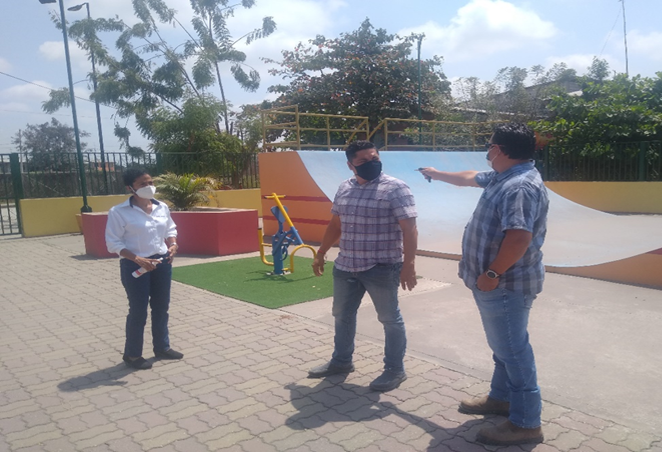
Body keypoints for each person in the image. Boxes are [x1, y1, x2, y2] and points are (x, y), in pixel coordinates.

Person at [419, 123, 548, 446]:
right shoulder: (505, 175)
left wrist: (491, 274)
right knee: (504, 346)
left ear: (499, 150)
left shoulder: (519, 186)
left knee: (513, 351)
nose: (487, 150)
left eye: (489, 145)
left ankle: (526, 423)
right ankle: (501, 399)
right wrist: (436, 173)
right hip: (498, 283)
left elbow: (518, 238)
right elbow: (469, 177)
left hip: (504, 284)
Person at [308, 140, 418, 392]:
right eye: (363, 161)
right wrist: (321, 252)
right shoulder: (344, 188)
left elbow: (410, 229)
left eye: (374, 159)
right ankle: (341, 362)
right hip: (346, 265)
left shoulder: (396, 188)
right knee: (342, 315)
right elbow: (336, 225)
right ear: (350, 165)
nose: (371, 164)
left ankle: (395, 370)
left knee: (389, 319)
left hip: (382, 267)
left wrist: (409, 264)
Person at [105, 168, 183, 370]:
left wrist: (173, 244)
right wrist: (138, 259)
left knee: (161, 307)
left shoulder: (161, 207)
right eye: (142, 184)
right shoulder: (118, 212)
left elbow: (170, 229)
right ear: (130, 188)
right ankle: (132, 355)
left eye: (150, 182)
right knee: (138, 310)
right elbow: (113, 243)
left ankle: (162, 347)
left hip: (161, 263)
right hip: (135, 265)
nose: (149, 187)